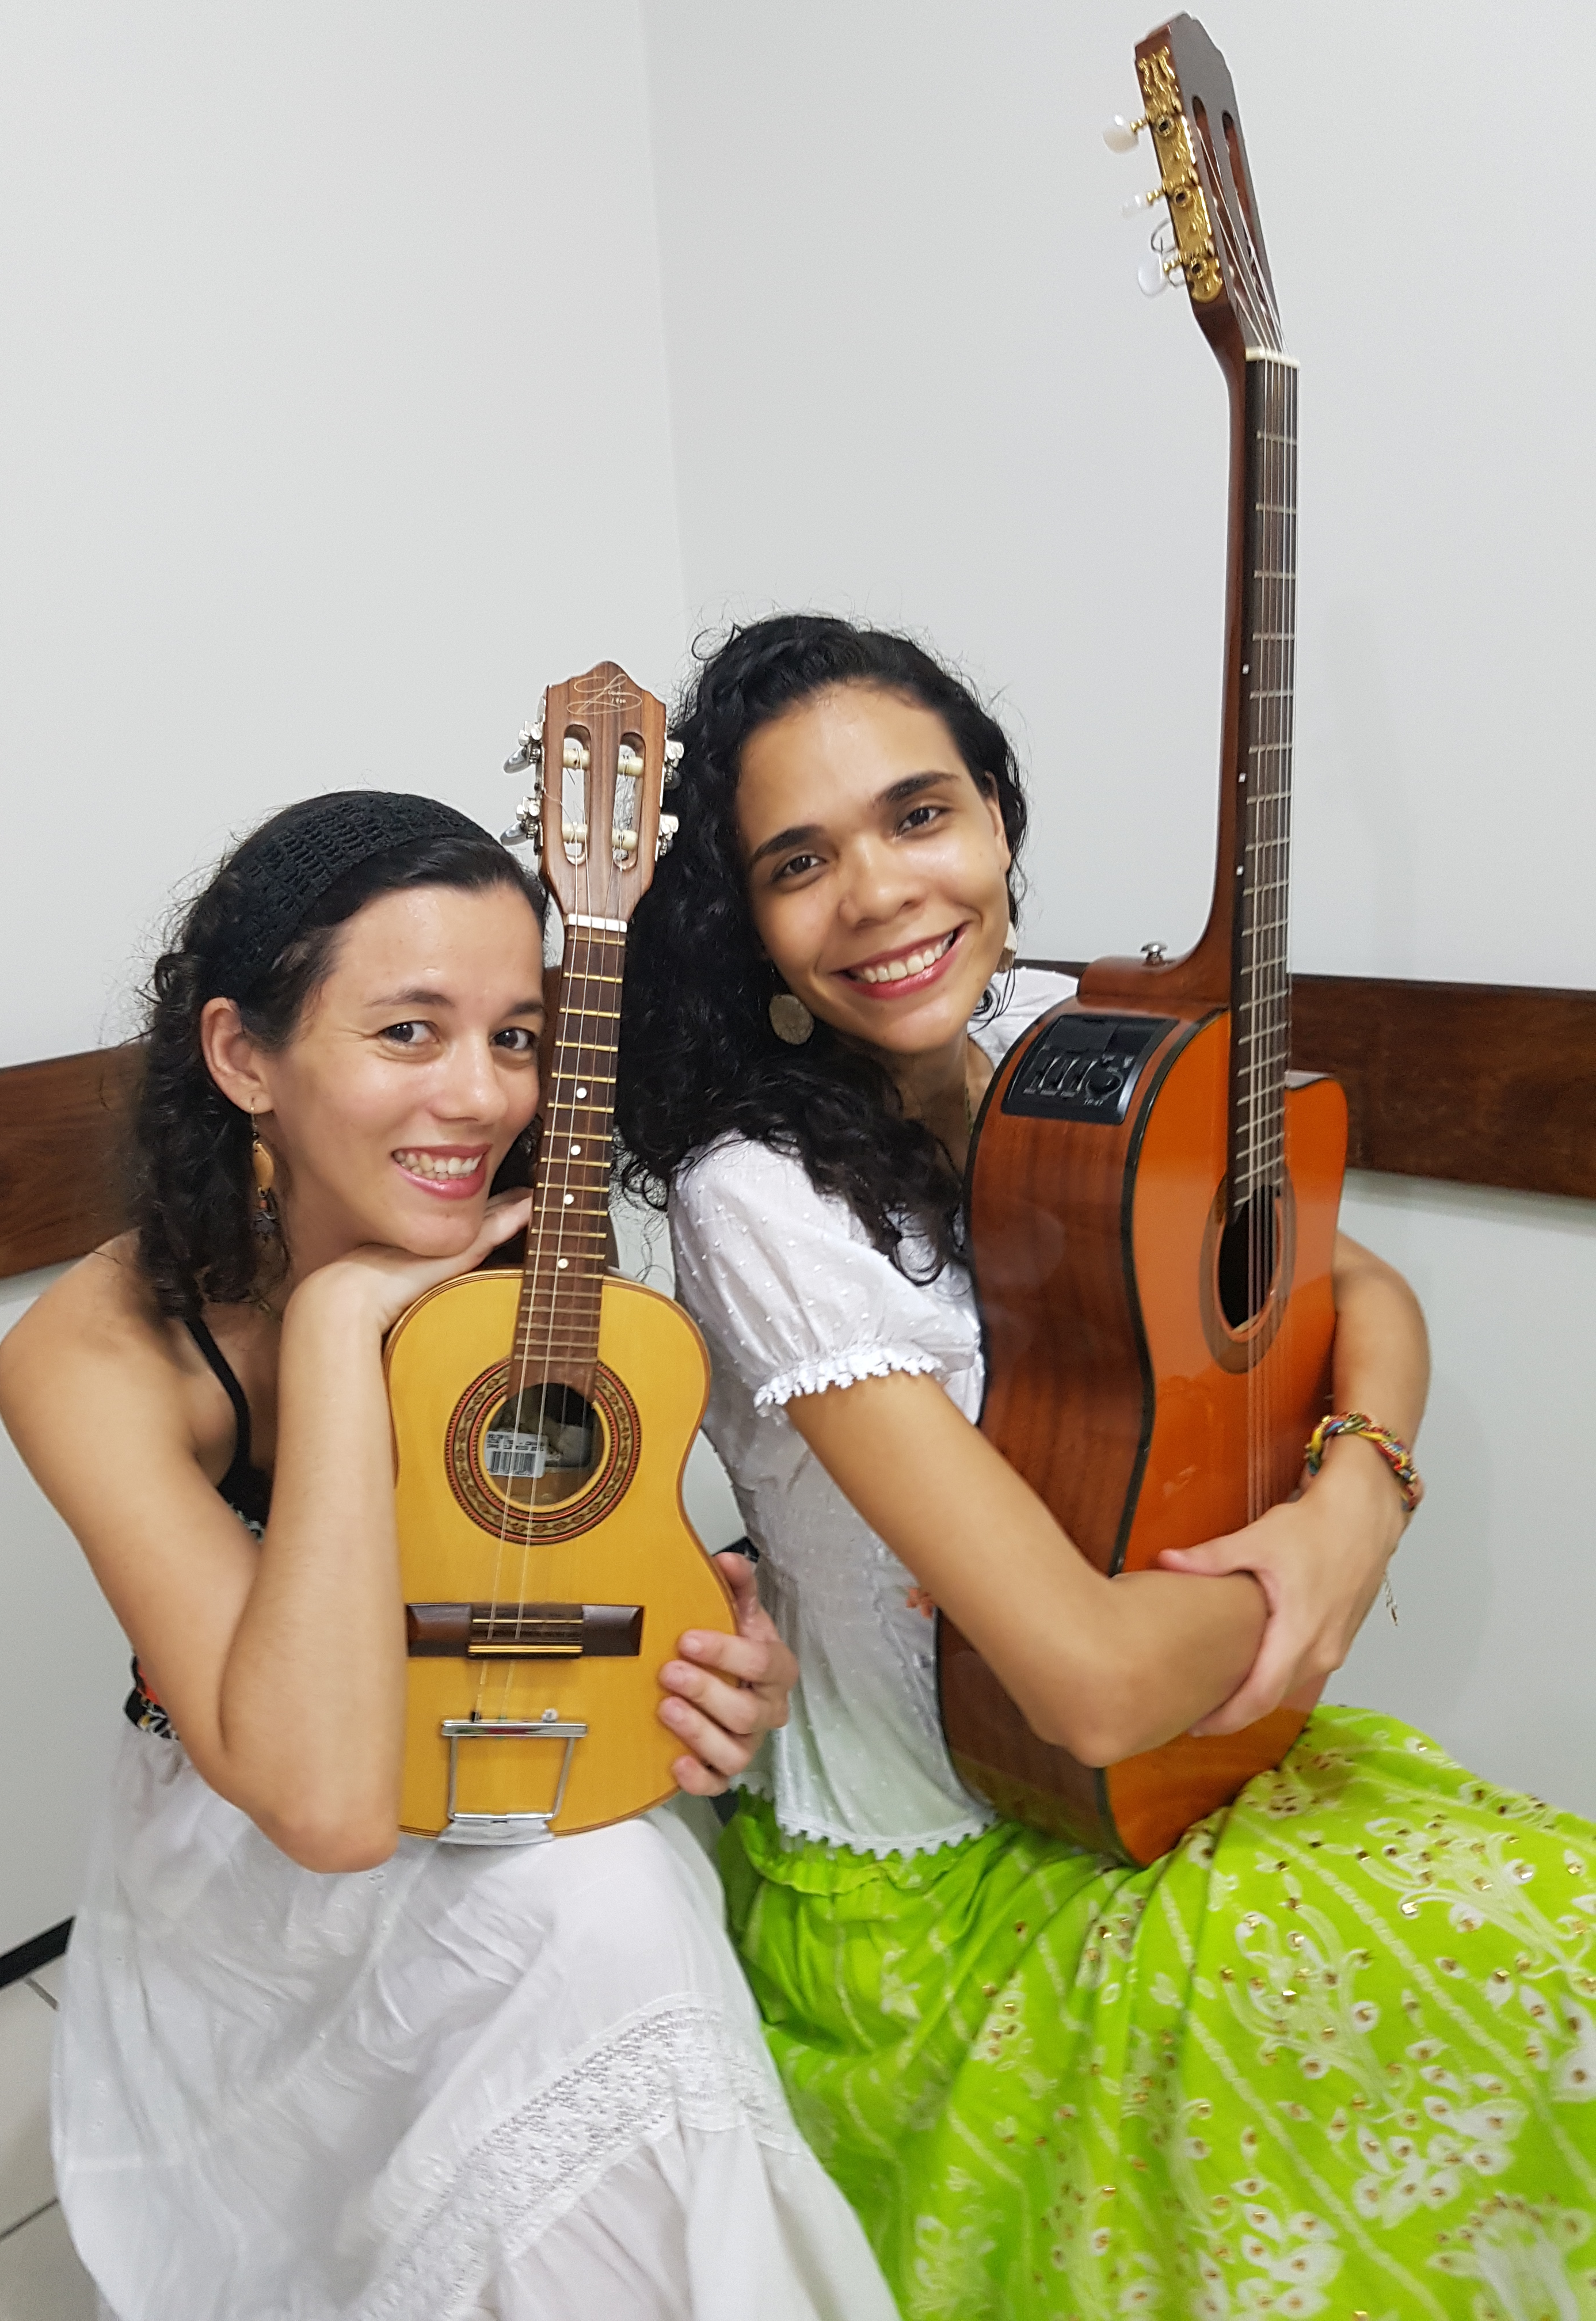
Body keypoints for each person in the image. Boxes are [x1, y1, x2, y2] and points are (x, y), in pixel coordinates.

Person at [615, 615, 1596, 2321]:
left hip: (1181, 1772)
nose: (880, 893)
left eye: (920, 814)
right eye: (801, 862)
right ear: (750, 925)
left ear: (997, 819)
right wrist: (1311, 1575)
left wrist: (1354, 1501)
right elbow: (1084, 1682)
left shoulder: (1060, 1036)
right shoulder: (755, 1191)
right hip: (954, 1868)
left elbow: (1358, 1288)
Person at [0, 790, 899, 2321]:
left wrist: (713, 1656)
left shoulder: (526, 1259)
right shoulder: (92, 1356)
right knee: (602, 1915)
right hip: (261, 1839)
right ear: (243, 1059)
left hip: (517, 1747)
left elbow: (594, 1547)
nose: (481, 1099)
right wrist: (340, 1324)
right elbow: (324, 1804)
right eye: (409, 1032)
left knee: (613, 1907)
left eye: (517, 1037)